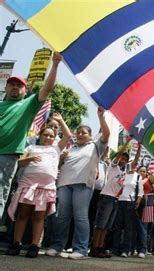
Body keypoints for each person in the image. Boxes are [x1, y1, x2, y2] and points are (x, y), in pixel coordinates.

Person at [0, 52, 61, 221]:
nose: (14, 87)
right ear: (5, 88)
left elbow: (47, 88)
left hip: (5, 157)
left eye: (19, 86)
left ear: (25, 91)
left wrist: (55, 65)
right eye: (11, 84)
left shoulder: (28, 105)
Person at [46, 107, 109, 259]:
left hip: (83, 185)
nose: (80, 134)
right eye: (78, 132)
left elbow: (106, 134)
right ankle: (57, 246)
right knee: (62, 216)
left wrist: (101, 117)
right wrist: (62, 158)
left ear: (90, 136)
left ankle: (80, 249)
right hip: (64, 184)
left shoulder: (96, 146)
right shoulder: (70, 148)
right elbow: (60, 166)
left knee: (80, 216)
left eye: (84, 133)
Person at [5, 115, 71, 258]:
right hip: (28, 185)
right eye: (46, 134)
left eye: (52, 136)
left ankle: (35, 245)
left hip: (45, 187)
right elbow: (20, 162)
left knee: (39, 216)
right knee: (23, 214)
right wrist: (30, 158)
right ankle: (16, 243)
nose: (49, 137)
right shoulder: (31, 147)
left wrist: (60, 121)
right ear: (40, 135)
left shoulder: (56, 149)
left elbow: (68, 135)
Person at [89, 137, 131, 258]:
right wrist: (127, 142)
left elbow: (135, 162)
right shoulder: (113, 167)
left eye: (125, 160)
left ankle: (100, 247)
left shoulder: (124, 173)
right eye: (122, 158)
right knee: (100, 224)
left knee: (107, 226)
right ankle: (94, 247)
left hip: (115, 199)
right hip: (106, 197)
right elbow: (118, 155)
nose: (122, 160)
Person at [111, 144, 144, 258]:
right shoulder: (122, 174)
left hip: (130, 203)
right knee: (117, 226)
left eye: (135, 163)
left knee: (128, 228)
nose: (132, 164)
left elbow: (140, 192)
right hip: (119, 202)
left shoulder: (138, 177)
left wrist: (138, 201)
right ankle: (114, 249)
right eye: (131, 163)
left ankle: (126, 250)